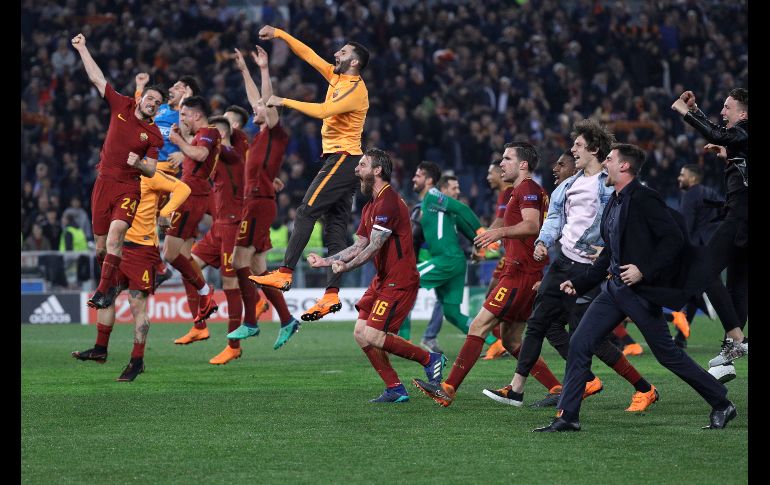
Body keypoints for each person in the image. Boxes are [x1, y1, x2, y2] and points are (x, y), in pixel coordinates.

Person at [534, 143, 735, 432]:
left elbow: (673, 239)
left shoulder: (644, 198)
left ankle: (721, 402)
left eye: (610, 159)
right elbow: (609, 253)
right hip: (614, 291)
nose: (605, 164)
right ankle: (567, 417)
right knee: (579, 343)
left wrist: (644, 270)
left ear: (624, 166)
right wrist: (579, 283)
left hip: (639, 293)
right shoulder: (614, 202)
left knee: (667, 355)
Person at [482, 121, 657, 412]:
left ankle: (644, 388)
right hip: (563, 263)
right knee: (540, 323)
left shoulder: (610, 182)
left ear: (594, 149)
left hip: (592, 270)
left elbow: (629, 211)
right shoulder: (568, 185)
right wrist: (542, 242)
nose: (573, 149)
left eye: (577, 145)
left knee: (589, 336)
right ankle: (516, 389)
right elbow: (553, 220)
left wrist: (610, 248)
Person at [412, 141, 561, 407]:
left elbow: (531, 225)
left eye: (507, 158)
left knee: (478, 325)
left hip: (519, 273)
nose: (501, 163)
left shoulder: (526, 188)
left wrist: (499, 232)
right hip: (527, 272)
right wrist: (492, 239)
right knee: (512, 339)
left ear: (523, 164)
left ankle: (448, 387)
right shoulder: (521, 190)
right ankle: (556, 387)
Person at [306, 148, 445, 403]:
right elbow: (359, 244)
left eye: (361, 164)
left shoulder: (389, 201)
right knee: (360, 332)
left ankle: (430, 359)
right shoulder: (371, 205)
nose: (356, 169)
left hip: (399, 279)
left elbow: (373, 247)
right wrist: (327, 261)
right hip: (382, 279)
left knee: (373, 335)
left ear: (377, 170)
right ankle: (395, 388)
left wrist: (345, 268)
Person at [252, 26, 370, 322]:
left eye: (343, 52)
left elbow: (323, 111)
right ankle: (331, 296)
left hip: (343, 158)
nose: (336, 54)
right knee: (334, 231)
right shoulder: (336, 75)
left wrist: (284, 100)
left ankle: (285, 273)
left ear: (354, 61)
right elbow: (308, 54)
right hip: (341, 160)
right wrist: (280, 33)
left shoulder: (357, 90)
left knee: (305, 212)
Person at [72, 162, 191, 381]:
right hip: (116, 248)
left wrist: (165, 212)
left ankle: (136, 361)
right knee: (106, 298)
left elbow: (183, 188)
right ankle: (100, 348)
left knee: (137, 305)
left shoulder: (151, 175)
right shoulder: (115, 180)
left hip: (141, 251)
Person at [71, 33, 163, 309]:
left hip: (128, 188)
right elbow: (97, 79)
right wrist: (83, 48)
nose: (153, 103)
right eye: (150, 98)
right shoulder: (121, 104)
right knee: (101, 247)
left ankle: (101, 291)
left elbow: (151, 170)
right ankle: (116, 282)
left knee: (115, 237)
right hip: (103, 184)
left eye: (158, 102)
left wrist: (138, 164)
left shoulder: (154, 134)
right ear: (141, 99)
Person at [226, 46, 301, 354]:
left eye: (262, 107)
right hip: (255, 203)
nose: (256, 107)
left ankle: (251, 321)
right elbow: (256, 100)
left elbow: (266, 101)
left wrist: (265, 69)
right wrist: (245, 70)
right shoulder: (258, 138)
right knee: (257, 268)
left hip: (259, 204)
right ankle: (286, 319)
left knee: (236, 261)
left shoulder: (275, 133)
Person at [672, 88, 748, 370]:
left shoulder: (744, 129)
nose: (723, 112)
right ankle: (730, 354)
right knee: (738, 285)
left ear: (743, 114)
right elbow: (727, 140)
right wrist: (726, 153)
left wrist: (687, 112)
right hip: (743, 215)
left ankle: (737, 338)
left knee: (703, 270)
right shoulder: (740, 138)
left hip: (740, 215)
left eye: (728, 107)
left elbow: (719, 134)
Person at [398, 173, 498, 351]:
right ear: (442, 190)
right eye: (454, 188)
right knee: (451, 313)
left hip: (446, 261)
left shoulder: (440, 204)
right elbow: (466, 223)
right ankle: (494, 344)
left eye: (458, 188)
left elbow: (465, 213)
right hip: (454, 263)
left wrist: (482, 238)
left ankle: (404, 341)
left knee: (402, 282)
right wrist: (481, 242)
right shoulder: (437, 202)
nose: (458, 191)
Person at [162, 96, 221, 333]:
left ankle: (206, 291)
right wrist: (184, 138)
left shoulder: (209, 132)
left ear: (197, 115)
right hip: (189, 194)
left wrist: (177, 140)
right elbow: (196, 151)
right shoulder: (199, 136)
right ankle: (200, 323)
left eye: (184, 114)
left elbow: (201, 155)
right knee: (185, 258)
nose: (182, 118)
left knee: (169, 253)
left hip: (190, 197)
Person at [666, 164, 724, 348]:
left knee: (687, 289)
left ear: (692, 178)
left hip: (696, 250)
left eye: (682, 175)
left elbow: (686, 225)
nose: (679, 178)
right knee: (693, 290)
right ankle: (681, 337)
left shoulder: (690, 195)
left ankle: (704, 303)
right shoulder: (711, 193)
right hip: (713, 247)